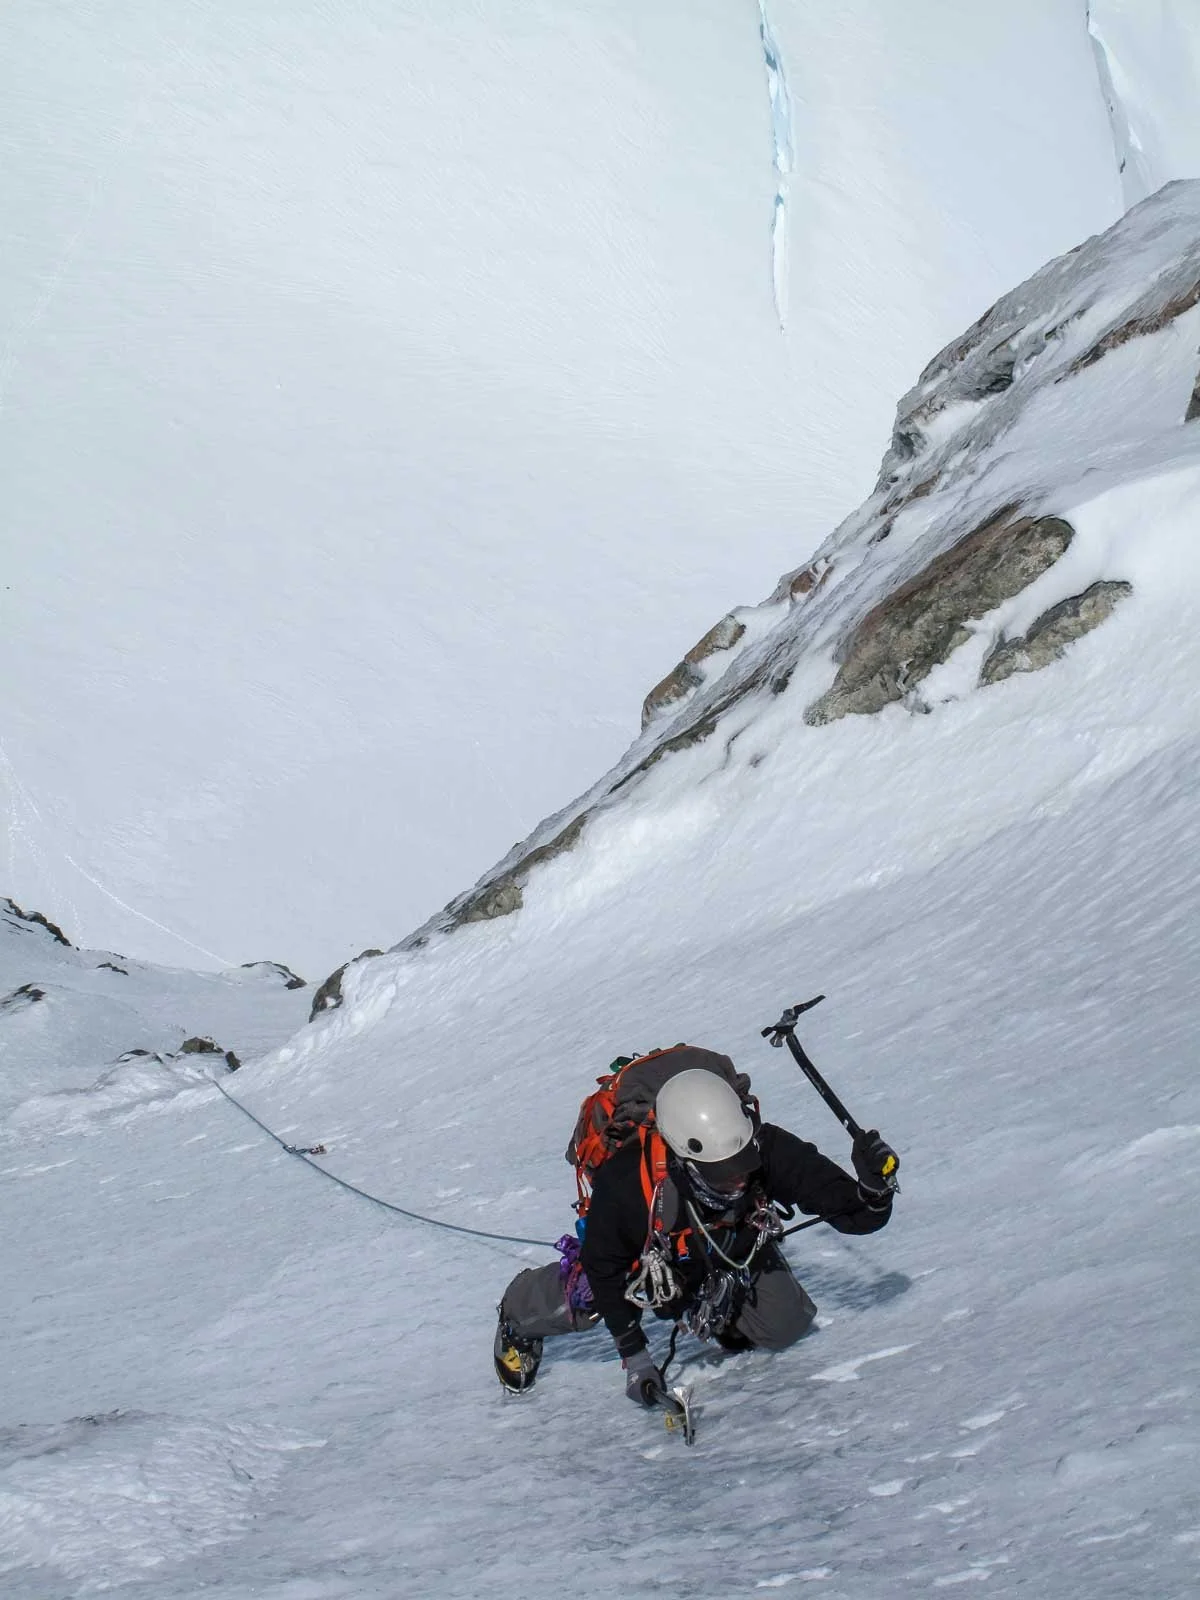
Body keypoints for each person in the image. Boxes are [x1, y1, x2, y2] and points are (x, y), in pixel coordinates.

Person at [494, 1049, 896, 1400]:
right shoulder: (629, 1184)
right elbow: (604, 1269)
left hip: (726, 1246)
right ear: (682, 1157)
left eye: (743, 1167)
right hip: (653, 1256)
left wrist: (874, 1191)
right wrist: (635, 1358)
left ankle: (720, 1308)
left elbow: (857, 1215)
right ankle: (519, 1310)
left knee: (784, 1324)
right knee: (587, 1296)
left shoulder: (764, 1146)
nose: (738, 1179)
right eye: (722, 1173)